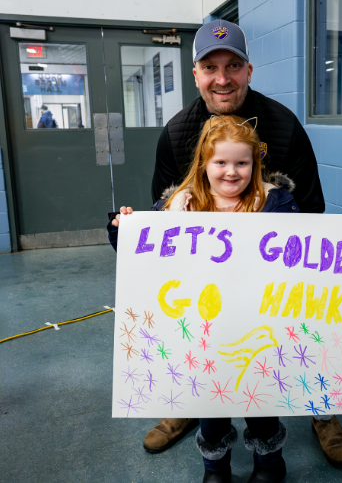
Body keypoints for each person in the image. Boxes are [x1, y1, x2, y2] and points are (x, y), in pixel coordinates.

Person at [132, 19, 342, 468]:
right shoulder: (176, 132)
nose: (222, 78)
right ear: (196, 74)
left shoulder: (283, 126)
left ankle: (320, 407)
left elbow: (313, 212)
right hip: (207, 279)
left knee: (304, 324)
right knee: (204, 338)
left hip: (275, 274)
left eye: (233, 65)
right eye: (211, 67)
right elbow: (160, 222)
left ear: (249, 70)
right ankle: (189, 403)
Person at [109, 115, 299, 483]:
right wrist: (124, 228)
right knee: (210, 406)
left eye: (242, 163)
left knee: (260, 399)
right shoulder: (182, 205)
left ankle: (270, 461)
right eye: (221, 162)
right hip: (201, 330)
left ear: (255, 163)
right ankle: (216, 466)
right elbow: (141, 253)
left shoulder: (274, 202)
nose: (232, 172)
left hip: (255, 322)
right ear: (204, 163)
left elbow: (306, 251)